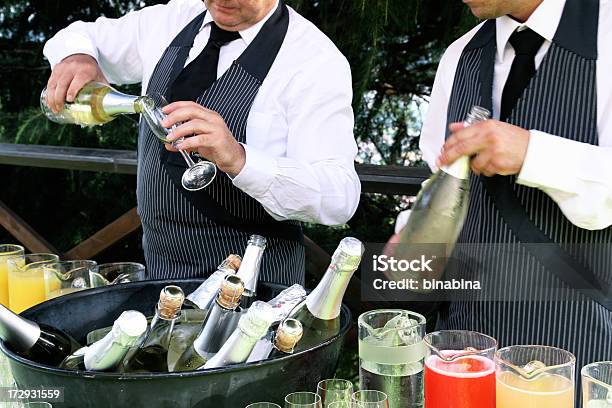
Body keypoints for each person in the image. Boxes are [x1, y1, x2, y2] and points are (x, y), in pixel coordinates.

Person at [43, 0, 361, 285]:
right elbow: (81, 35)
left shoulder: (316, 61)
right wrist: (77, 56)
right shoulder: (173, 19)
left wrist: (239, 159)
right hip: (160, 280)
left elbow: (339, 197)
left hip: (254, 292)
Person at [420, 0, 612, 379]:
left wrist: (535, 155)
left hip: (584, 353)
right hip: (466, 355)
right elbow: (440, 189)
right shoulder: (458, 57)